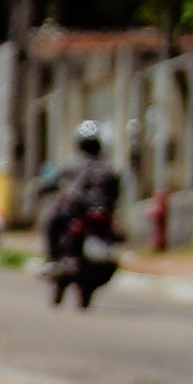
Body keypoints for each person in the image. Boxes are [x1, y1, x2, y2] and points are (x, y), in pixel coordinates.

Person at [39, 121, 130, 311]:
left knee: (51, 220)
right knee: (53, 219)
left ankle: (51, 259)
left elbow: (52, 182)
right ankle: (53, 260)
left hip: (85, 215)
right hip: (85, 215)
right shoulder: (106, 167)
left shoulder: (78, 164)